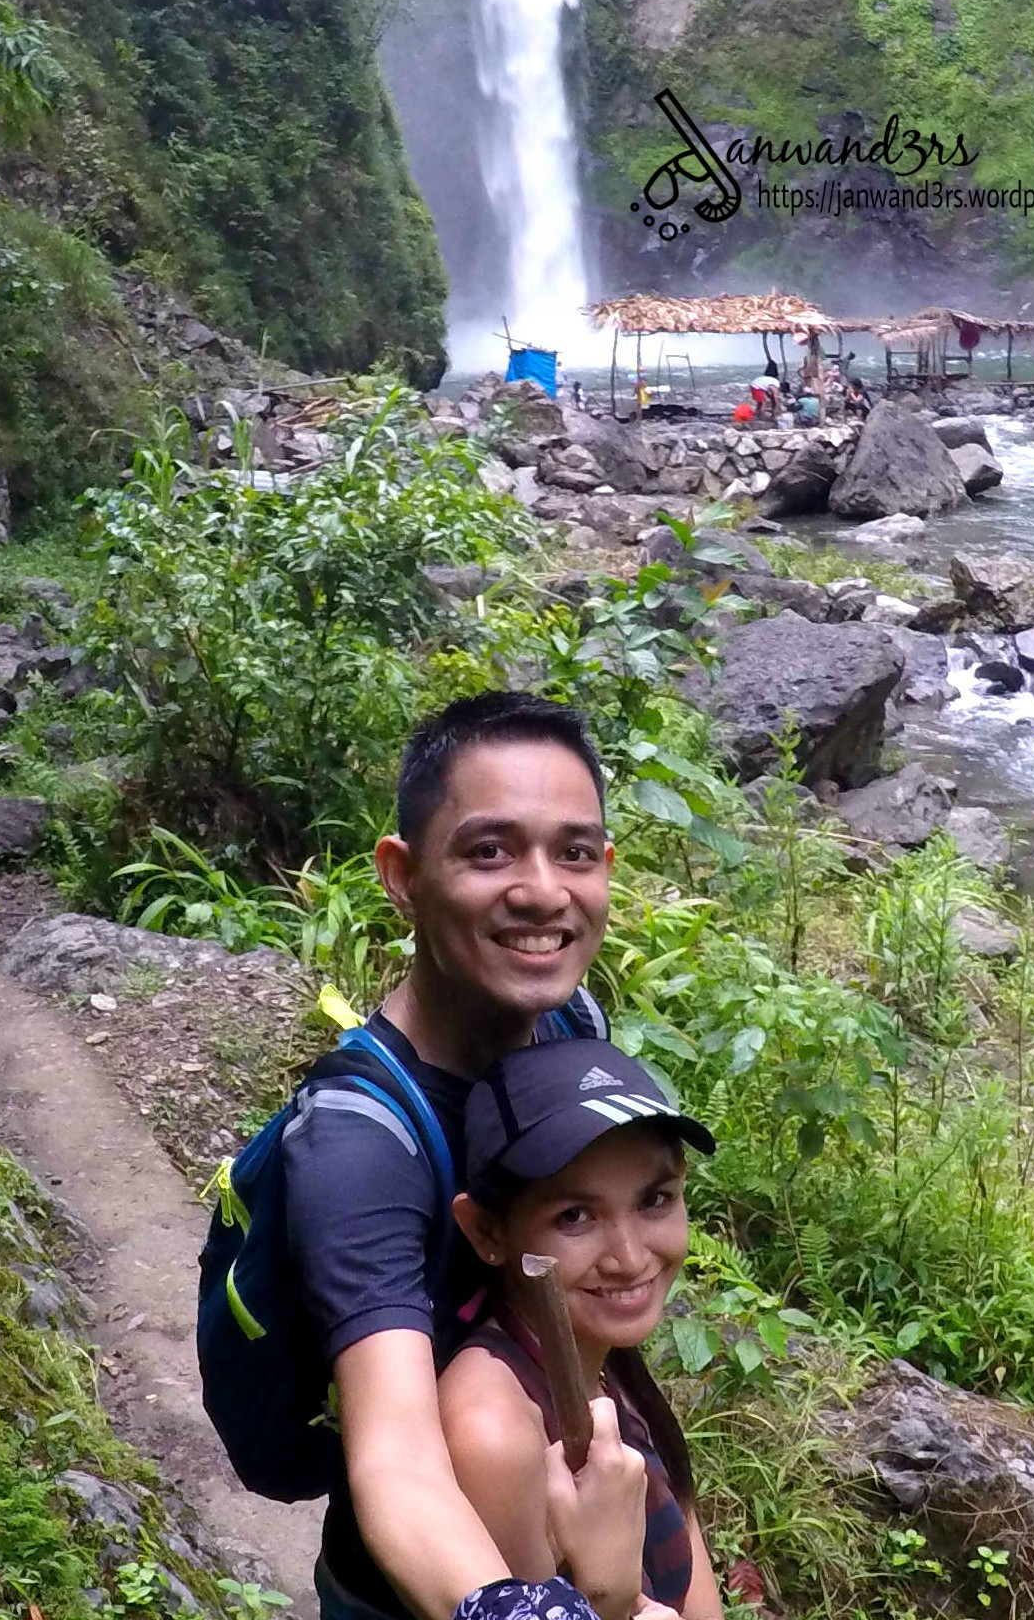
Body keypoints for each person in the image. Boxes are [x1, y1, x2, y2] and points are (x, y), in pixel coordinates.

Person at [282, 692, 632, 1620]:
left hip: (562, 1502)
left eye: (575, 852)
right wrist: (520, 1611)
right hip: (418, 1592)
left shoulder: (569, 1022)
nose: (544, 891)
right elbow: (398, 1457)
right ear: (402, 876)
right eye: (489, 851)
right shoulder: (359, 1144)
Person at [439, 1039, 723, 1620]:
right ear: (486, 1231)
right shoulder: (495, 1434)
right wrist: (606, 1598)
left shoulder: (606, 1358)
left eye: (655, 1200)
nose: (629, 1258)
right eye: (575, 1216)